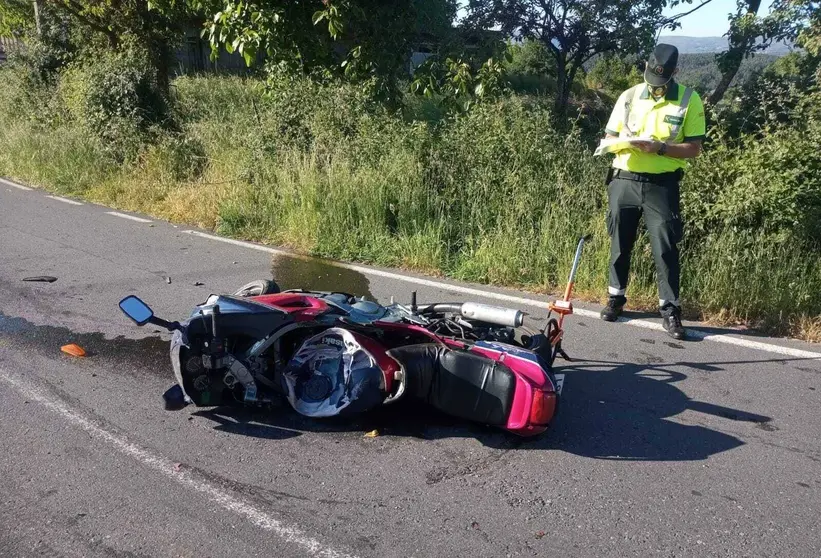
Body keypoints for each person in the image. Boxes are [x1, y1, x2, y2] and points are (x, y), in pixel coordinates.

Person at [600, 43, 706, 340]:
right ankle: (616, 298)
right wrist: (616, 143)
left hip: (662, 185)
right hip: (624, 180)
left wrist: (659, 147)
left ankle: (670, 309)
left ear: (675, 73)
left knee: (666, 248)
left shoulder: (689, 99)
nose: (654, 84)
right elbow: (610, 134)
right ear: (646, 67)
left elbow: (694, 148)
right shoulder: (629, 95)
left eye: (661, 79)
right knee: (620, 242)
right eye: (650, 76)